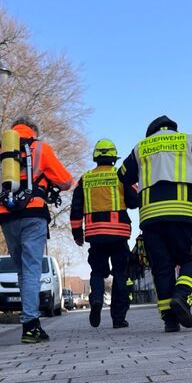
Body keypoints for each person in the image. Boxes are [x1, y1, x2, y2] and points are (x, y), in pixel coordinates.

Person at [118, 115, 192, 332]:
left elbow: (122, 177)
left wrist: (136, 197)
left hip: (151, 218)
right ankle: (182, 297)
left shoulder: (142, 147)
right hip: (184, 213)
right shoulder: (190, 140)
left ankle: (170, 320)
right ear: (173, 128)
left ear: (152, 132)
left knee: (162, 267)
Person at [0, 116, 74, 344]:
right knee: (32, 270)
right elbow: (66, 181)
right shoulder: (40, 148)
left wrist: (7, 192)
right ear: (33, 130)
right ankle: (30, 325)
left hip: (7, 217)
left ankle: (31, 322)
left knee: (22, 271)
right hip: (33, 215)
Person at [70, 138, 138, 329]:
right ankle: (118, 318)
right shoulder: (121, 177)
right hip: (119, 234)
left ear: (96, 158)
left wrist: (77, 233)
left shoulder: (85, 179)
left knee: (98, 272)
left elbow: (75, 209)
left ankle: (97, 300)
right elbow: (134, 201)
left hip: (95, 236)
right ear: (113, 158)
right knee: (120, 274)